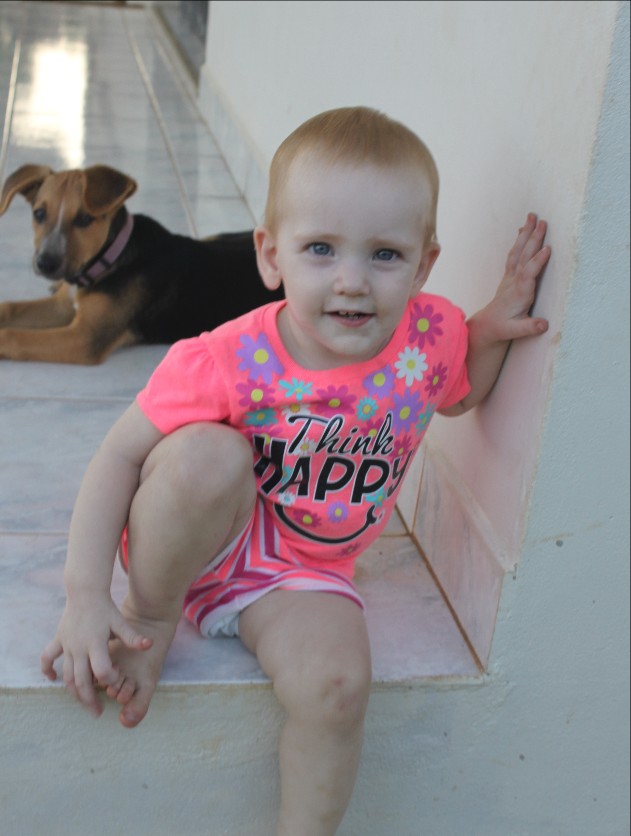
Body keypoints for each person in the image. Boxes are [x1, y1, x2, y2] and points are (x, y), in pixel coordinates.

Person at [41, 106, 550, 836]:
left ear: (423, 263)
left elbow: (459, 393)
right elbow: (118, 455)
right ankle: (152, 622)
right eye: (319, 249)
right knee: (206, 455)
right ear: (270, 256)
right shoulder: (227, 355)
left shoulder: (427, 338)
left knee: (339, 687)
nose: (351, 282)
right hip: (202, 531)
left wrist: (494, 319)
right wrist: (86, 594)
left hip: (303, 571)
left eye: (384, 255)